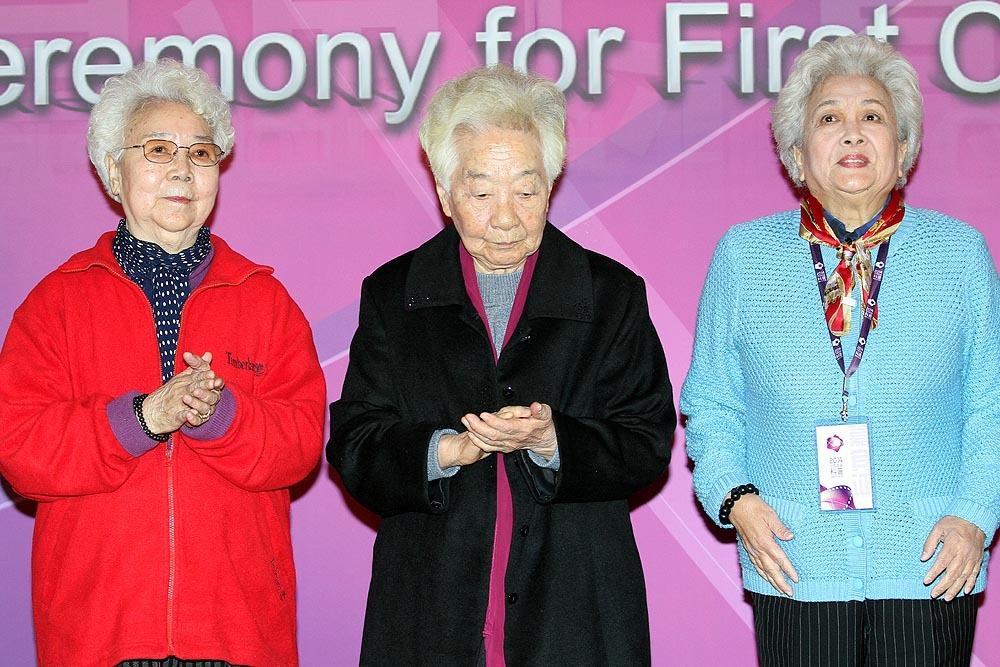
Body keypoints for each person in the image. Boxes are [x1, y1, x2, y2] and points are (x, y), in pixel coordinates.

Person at [328, 64, 675, 666]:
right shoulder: (395, 293)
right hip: (430, 608)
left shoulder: (609, 294)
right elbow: (357, 444)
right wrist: (444, 450)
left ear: (552, 185)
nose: (507, 217)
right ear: (445, 194)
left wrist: (553, 441)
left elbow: (646, 440)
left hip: (575, 611)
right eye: (482, 192)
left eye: (526, 190)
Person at [682, 34, 999, 666]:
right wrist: (736, 500)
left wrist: (975, 515)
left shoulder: (960, 254)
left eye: (872, 117)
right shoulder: (744, 257)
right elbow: (712, 403)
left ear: (903, 150)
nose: (852, 133)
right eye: (829, 118)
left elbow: (990, 404)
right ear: (797, 153)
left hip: (932, 562)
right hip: (794, 560)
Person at [0, 60, 326, 666]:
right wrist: (143, 419)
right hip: (99, 633)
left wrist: (220, 416)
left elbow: (301, 444)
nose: (183, 169)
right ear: (112, 172)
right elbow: (21, 449)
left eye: (201, 154)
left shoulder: (265, 301)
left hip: (237, 629)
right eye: (157, 150)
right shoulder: (55, 304)